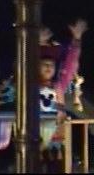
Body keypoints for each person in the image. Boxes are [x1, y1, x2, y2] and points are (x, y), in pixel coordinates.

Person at [38, 19, 88, 171]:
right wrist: (37, 43)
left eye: (52, 65)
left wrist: (76, 40)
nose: (49, 67)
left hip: (56, 135)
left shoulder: (59, 85)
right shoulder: (30, 85)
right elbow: (25, 61)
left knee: (56, 164)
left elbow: (70, 64)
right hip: (35, 134)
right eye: (45, 64)